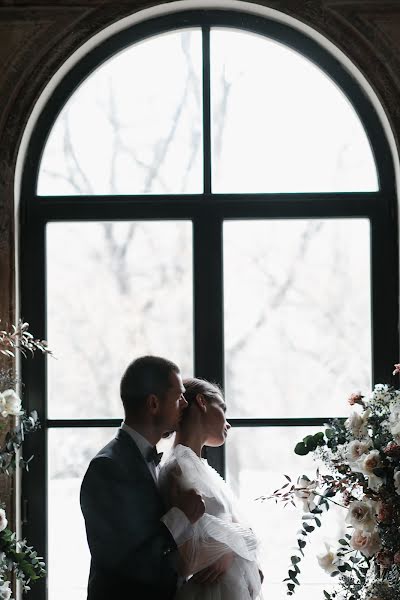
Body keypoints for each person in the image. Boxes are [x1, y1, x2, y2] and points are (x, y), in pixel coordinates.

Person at [80, 356, 206, 600]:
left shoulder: (159, 462)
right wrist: (181, 517)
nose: (184, 404)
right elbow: (125, 561)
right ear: (153, 404)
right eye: (179, 396)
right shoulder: (107, 468)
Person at [158, 377, 263, 600]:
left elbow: (245, 533)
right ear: (202, 402)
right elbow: (184, 559)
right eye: (223, 408)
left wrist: (237, 549)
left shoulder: (203, 468)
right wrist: (232, 549)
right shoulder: (176, 468)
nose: (229, 423)